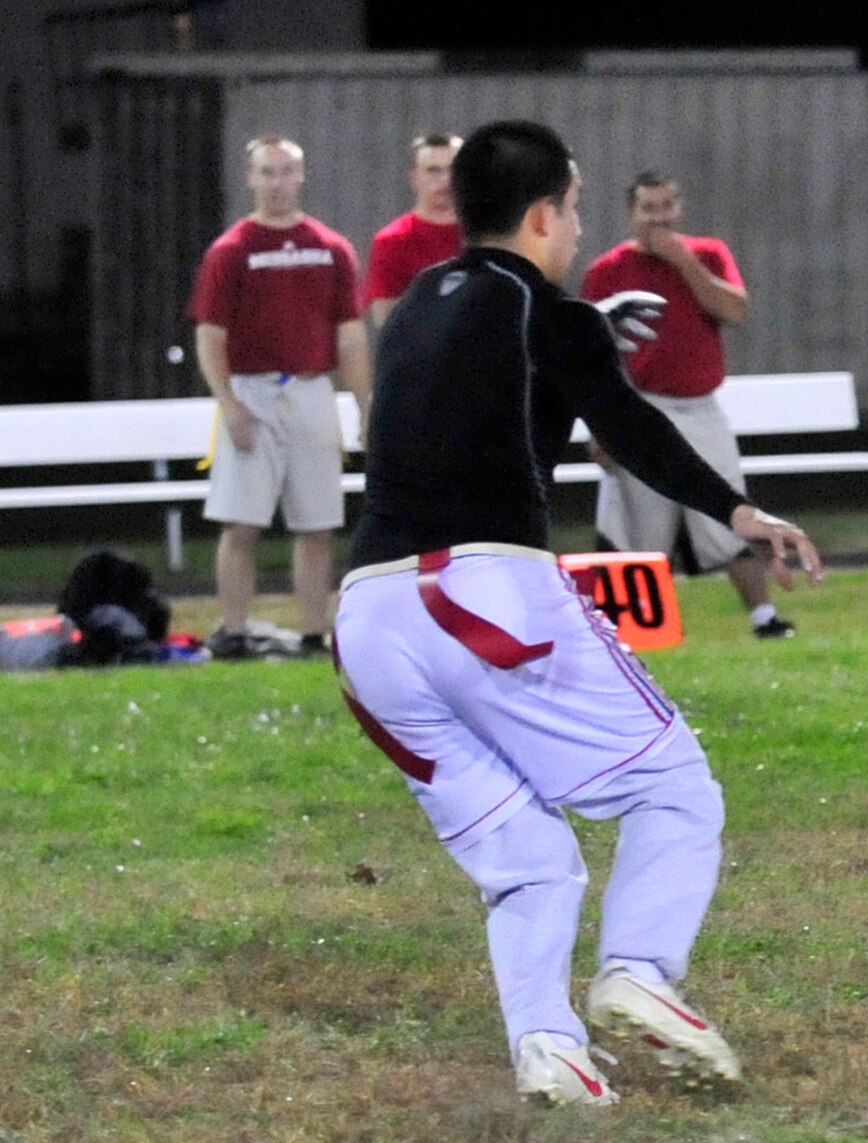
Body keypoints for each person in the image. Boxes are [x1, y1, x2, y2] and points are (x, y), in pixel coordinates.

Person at [333, 120, 822, 1104]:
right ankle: (639, 970)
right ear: (546, 212)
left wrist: (578, 342)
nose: (581, 226)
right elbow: (629, 423)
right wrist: (738, 509)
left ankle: (547, 1048)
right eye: (580, 208)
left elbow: (496, 408)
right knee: (673, 790)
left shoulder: (422, 301)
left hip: (367, 624)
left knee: (528, 860)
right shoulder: (549, 310)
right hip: (477, 594)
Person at [581, 171, 793, 639]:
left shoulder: (708, 255)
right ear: (630, 214)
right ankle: (629, 630)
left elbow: (734, 310)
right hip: (640, 404)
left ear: (678, 209)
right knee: (638, 525)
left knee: (730, 511)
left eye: (666, 206)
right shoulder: (606, 271)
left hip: (700, 406)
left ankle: (764, 617)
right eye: (648, 208)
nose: (659, 218)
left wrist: (685, 264)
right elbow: (591, 355)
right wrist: (600, 427)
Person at [188, 134, 370, 660]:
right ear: (250, 179)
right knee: (241, 520)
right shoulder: (232, 251)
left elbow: (350, 334)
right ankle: (236, 628)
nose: (277, 183)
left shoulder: (331, 248)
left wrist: (363, 402)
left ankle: (315, 631)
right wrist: (230, 403)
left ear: (302, 176)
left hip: (312, 388)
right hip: (252, 389)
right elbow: (210, 336)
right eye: (266, 173)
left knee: (318, 521)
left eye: (286, 171)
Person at [366, 132, 463, 328]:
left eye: (454, 169)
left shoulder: (491, 233)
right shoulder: (393, 241)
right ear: (414, 177)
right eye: (433, 170)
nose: (445, 180)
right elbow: (387, 321)